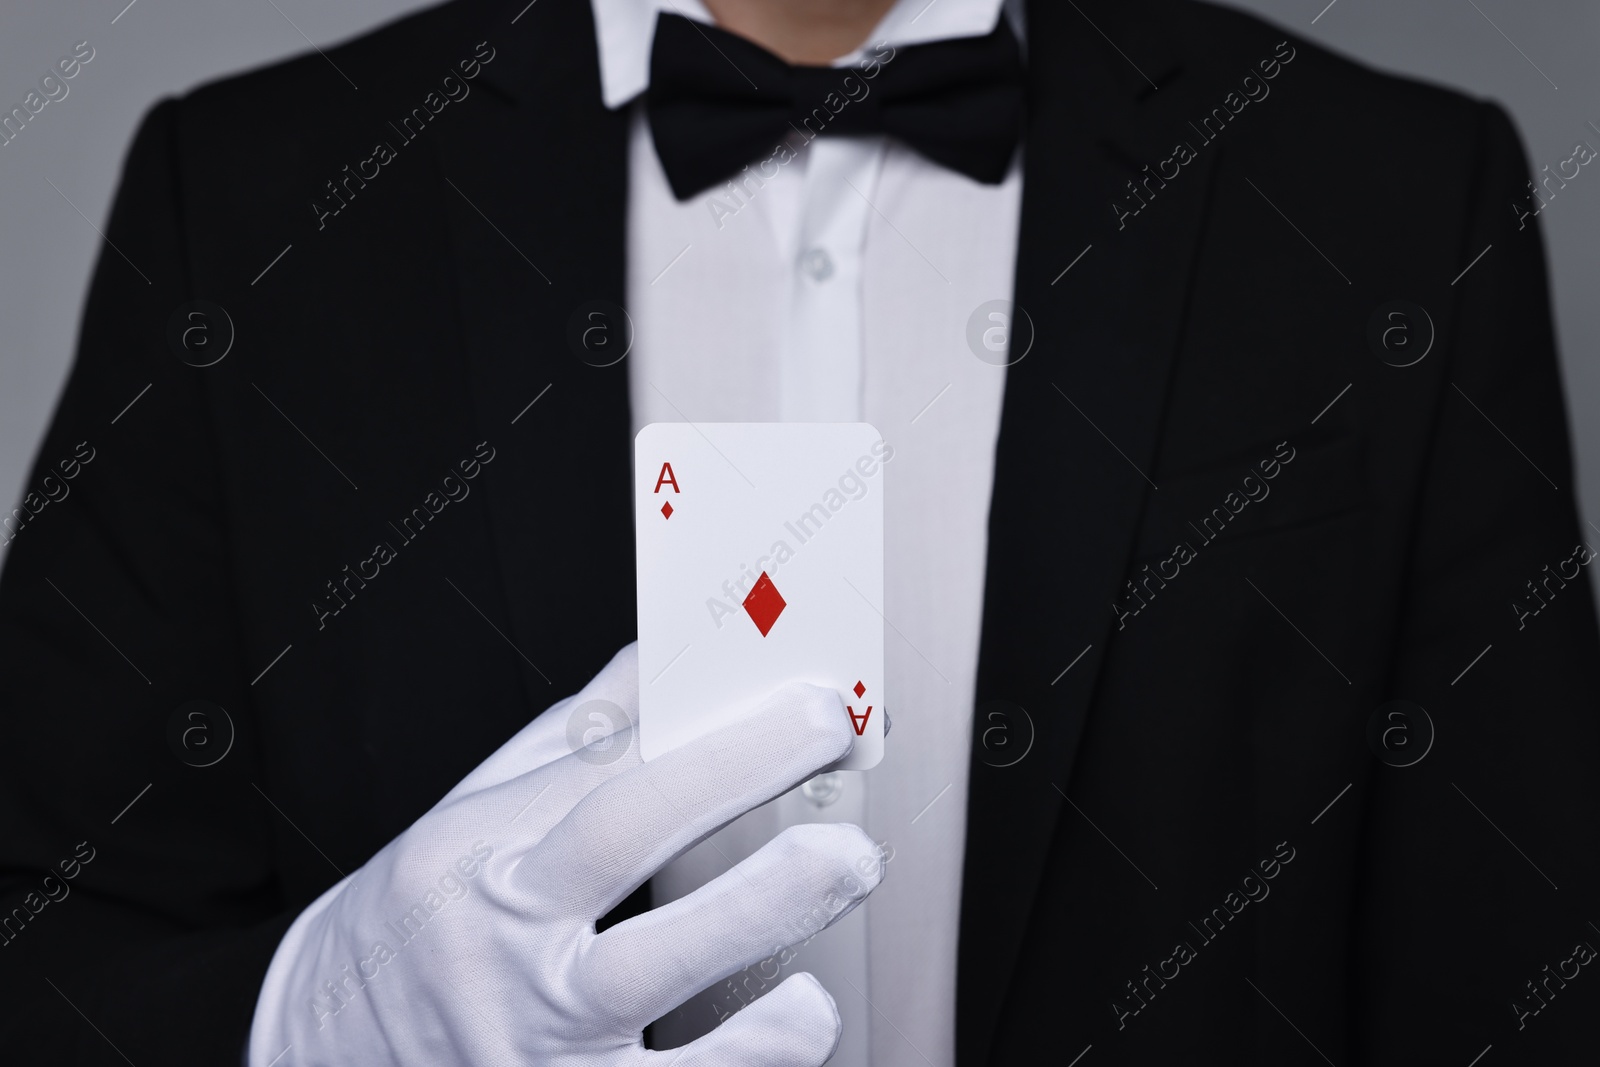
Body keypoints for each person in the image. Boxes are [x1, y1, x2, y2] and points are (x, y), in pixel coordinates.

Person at [2, 0, 1596, 1063]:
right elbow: (45, 936)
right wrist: (314, 1019)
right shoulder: (253, 195)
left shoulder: (1389, 192)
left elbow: (1516, 964)